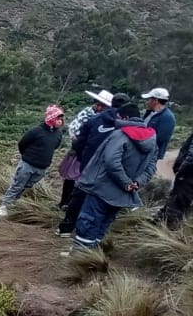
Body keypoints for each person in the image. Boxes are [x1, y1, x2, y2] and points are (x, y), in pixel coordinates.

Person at [71, 101, 158, 251]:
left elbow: (112, 161)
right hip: (123, 194)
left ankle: (80, 255)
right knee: (104, 221)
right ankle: (93, 254)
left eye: (118, 116)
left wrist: (125, 182)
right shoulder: (152, 139)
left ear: (125, 117)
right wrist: (136, 183)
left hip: (102, 188)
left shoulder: (121, 134)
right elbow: (151, 167)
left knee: (89, 220)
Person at [58, 94, 126, 236]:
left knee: (79, 196)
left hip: (88, 167)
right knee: (99, 201)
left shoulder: (94, 120)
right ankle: (91, 234)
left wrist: (84, 161)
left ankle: (67, 228)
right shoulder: (128, 126)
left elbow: (79, 143)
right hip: (110, 171)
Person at [0, 105, 65, 217]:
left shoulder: (58, 133)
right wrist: (27, 156)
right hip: (27, 165)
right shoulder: (36, 131)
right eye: (58, 118)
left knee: (26, 186)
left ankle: (13, 202)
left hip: (42, 168)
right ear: (51, 118)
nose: (60, 121)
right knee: (17, 185)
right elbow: (22, 144)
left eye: (61, 119)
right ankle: (4, 206)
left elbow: (55, 146)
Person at [157, 131, 193, 229]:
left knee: (178, 201)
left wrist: (181, 171)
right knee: (180, 202)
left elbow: (191, 158)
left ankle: (168, 229)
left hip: (188, 175)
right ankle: (162, 221)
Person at [143, 88, 176, 162]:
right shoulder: (150, 113)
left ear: (156, 101)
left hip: (151, 154)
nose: (147, 102)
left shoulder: (167, 117)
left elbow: (161, 139)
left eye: (149, 99)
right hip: (143, 150)